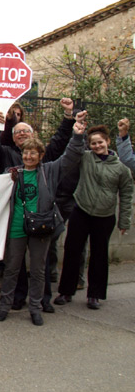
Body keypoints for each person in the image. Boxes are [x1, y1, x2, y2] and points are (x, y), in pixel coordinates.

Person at [0, 120, 86, 325]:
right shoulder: (12, 173)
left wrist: (78, 136)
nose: (28, 157)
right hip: (17, 227)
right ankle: (4, 305)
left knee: (37, 270)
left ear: (41, 156)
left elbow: (70, 157)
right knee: (11, 268)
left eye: (33, 153)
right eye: (26, 153)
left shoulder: (49, 171)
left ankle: (35, 307)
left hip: (42, 226)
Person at [55, 125, 133, 309]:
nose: (97, 146)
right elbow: (73, 150)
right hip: (81, 211)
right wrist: (77, 132)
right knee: (72, 251)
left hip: (104, 216)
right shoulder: (86, 158)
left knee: (99, 255)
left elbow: (127, 196)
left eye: (100, 142)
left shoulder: (122, 169)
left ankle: (95, 295)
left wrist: (124, 222)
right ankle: (66, 291)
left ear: (107, 142)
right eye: (93, 143)